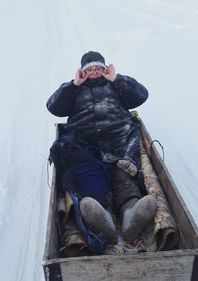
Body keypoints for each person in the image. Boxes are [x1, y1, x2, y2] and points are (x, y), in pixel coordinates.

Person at [47, 51, 157, 248]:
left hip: (119, 144)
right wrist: (73, 85)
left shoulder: (116, 85)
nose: (95, 72)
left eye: (98, 68)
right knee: (94, 182)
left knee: (123, 178)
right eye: (90, 69)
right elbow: (53, 107)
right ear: (83, 73)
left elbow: (142, 95)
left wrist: (117, 79)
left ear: (105, 69)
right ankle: (103, 217)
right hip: (87, 148)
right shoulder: (75, 89)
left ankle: (131, 215)